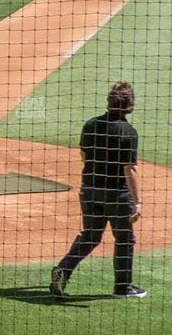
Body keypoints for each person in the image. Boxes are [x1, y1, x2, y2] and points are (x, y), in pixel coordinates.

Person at [50, 81, 147, 300]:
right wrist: (137, 201)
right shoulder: (128, 132)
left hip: (90, 190)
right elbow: (129, 169)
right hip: (117, 194)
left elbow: (84, 156)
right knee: (124, 239)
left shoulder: (90, 124)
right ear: (130, 104)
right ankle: (123, 287)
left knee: (91, 236)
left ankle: (63, 269)